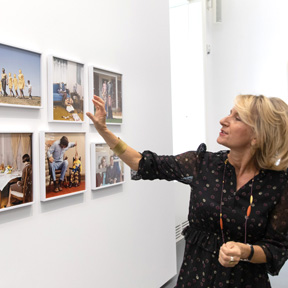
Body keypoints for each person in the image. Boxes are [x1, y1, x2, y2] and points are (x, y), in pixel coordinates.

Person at [86, 94, 288, 288]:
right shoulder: (202, 164)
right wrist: (104, 130)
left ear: (256, 136)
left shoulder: (277, 184)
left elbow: (277, 247)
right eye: (229, 113)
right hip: (196, 276)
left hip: (244, 281)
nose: (223, 120)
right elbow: (144, 163)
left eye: (237, 118)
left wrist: (246, 251)